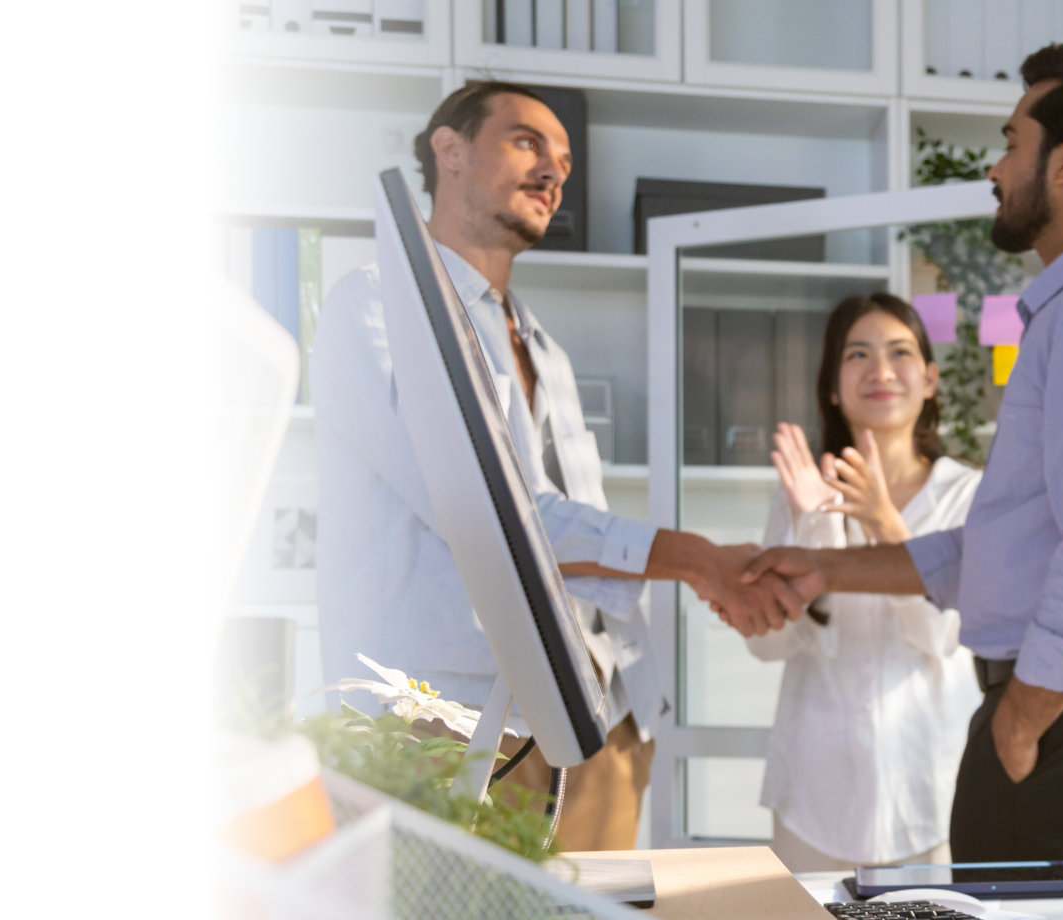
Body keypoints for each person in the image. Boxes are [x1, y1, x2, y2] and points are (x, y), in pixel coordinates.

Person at [739, 42, 1063, 865]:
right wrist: (826, 571)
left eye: (1011, 142)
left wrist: (1023, 717)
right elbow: (1000, 553)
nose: (996, 168)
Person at [311, 81, 803, 850]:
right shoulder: (374, 309)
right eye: (527, 142)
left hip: (599, 721)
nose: (553, 172)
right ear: (449, 151)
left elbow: (566, 534)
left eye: (564, 161)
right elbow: (485, 511)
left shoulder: (547, 350)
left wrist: (693, 586)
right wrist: (698, 560)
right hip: (446, 726)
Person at [742, 293, 983, 872]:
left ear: (929, 379)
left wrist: (882, 521)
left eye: (900, 352)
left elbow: (943, 638)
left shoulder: (967, 495)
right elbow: (768, 643)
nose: (879, 371)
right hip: (813, 793)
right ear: (832, 385)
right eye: (857, 354)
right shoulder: (801, 493)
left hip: (930, 792)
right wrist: (813, 523)